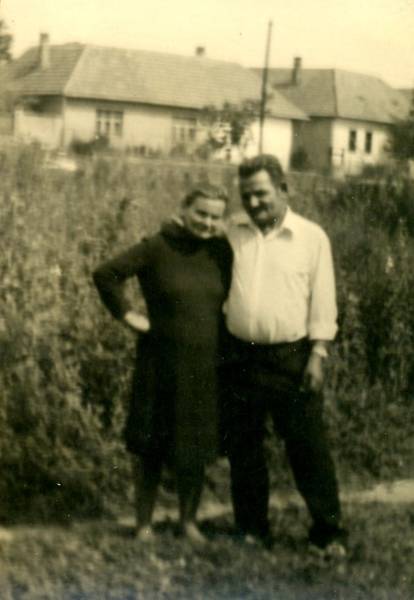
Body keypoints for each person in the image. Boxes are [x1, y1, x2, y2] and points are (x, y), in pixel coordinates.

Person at [93, 185, 232, 544]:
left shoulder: (221, 251)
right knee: (151, 447)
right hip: (160, 363)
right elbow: (106, 274)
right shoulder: (157, 246)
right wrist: (129, 316)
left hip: (204, 365)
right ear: (184, 209)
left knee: (195, 447)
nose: (207, 222)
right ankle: (143, 524)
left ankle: (188, 522)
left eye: (215, 217)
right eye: (201, 213)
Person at [222, 154, 346, 553]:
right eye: (246, 195)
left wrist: (318, 353)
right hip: (240, 356)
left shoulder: (311, 238)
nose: (253, 203)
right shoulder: (231, 232)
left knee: (307, 448)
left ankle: (328, 533)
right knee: (244, 448)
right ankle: (251, 528)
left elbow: (323, 300)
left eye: (261, 193)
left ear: (283, 190)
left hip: (291, 358)